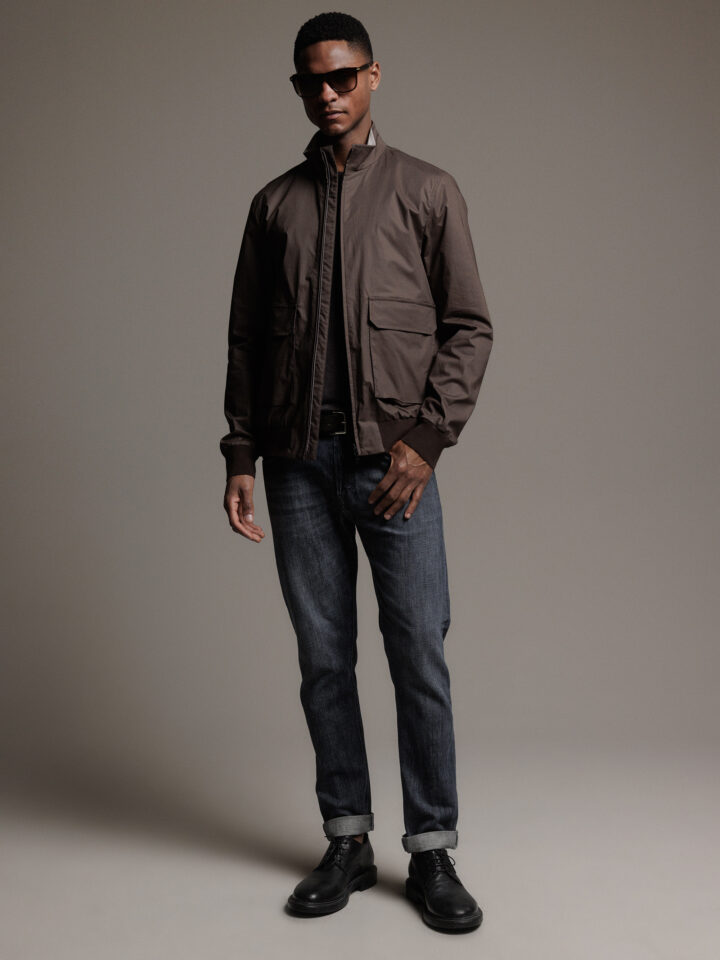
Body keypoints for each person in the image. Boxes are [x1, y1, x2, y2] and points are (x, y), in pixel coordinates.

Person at [220, 12, 493, 933]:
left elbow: (469, 327)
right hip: (297, 466)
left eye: (344, 76)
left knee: (418, 650)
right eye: (313, 80)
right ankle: (346, 838)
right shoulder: (274, 205)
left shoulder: (427, 190)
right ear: (299, 87)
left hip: (395, 466)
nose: (328, 93)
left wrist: (427, 440)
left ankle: (432, 849)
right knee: (322, 658)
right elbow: (248, 341)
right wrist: (241, 453)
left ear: (375, 75)